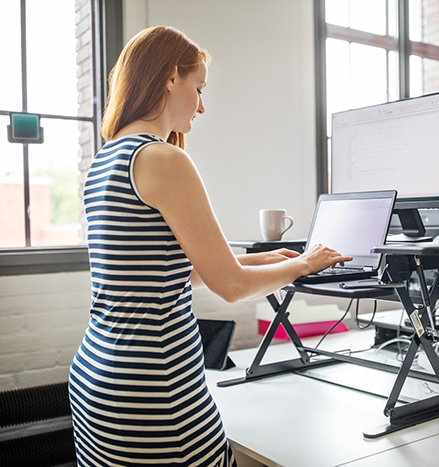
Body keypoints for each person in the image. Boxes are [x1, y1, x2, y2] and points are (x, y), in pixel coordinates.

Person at [68, 26, 351, 467]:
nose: (202, 105)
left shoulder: (104, 160)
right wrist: (304, 265)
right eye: (198, 88)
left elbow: (172, 270)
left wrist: (264, 259)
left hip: (98, 380)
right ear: (169, 77)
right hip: (155, 385)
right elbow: (231, 286)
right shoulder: (162, 158)